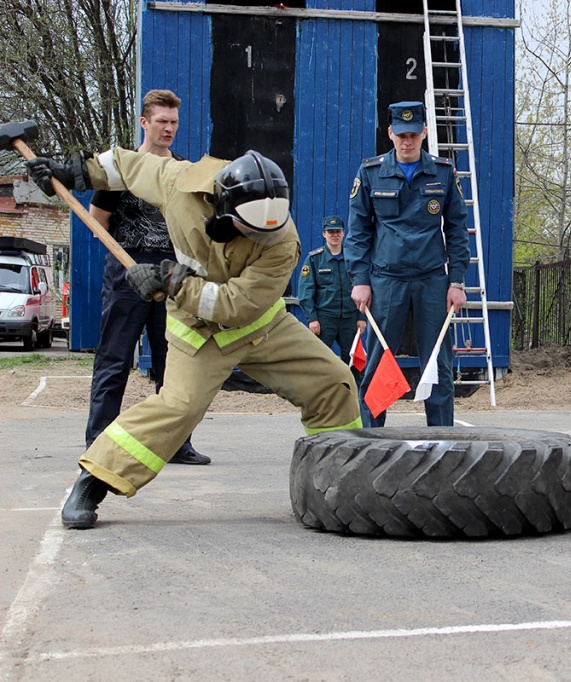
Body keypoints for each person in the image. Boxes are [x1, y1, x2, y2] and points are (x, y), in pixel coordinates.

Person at [27, 148, 362, 529]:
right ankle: (93, 480)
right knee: (178, 410)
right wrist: (73, 171)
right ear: (226, 206)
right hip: (198, 331)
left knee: (333, 382)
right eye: (249, 228)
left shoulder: (282, 240)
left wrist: (170, 282)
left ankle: (338, 479)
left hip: (259, 326)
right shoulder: (179, 184)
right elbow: (126, 166)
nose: (259, 237)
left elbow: (237, 306)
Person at [86, 89, 209, 465]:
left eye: (173, 122)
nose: (169, 128)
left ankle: (176, 444)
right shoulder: (121, 170)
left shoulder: (184, 171)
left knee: (173, 362)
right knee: (114, 358)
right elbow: (98, 222)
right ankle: (99, 442)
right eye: (162, 121)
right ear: (144, 122)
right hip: (128, 269)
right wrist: (125, 261)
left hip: (173, 274)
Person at [345, 101, 470, 427]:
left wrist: (456, 282)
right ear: (390, 133)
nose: (407, 141)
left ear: (424, 132)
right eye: (401, 135)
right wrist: (360, 278)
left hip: (432, 281)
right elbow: (357, 230)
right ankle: (372, 440)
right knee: (377, 363)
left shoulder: (443, 172)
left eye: (414, 134)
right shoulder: (370, 173)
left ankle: (443, 440)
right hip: (386, 281)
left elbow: (457, 228)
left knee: (439, 364)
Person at [297, 216, 364, 366]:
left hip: (350, 319)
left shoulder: (353, 258)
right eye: (330, 231)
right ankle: (319, 389)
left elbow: (363, 287)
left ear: (343, 233)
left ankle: (354, 389)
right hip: (325, 319)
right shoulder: (314, 259)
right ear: (324, 234)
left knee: (354, 361)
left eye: (338, 231)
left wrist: (362, 317)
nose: (334, 235)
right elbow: (305, 291)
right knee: (319, 361)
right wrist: (312, 318)